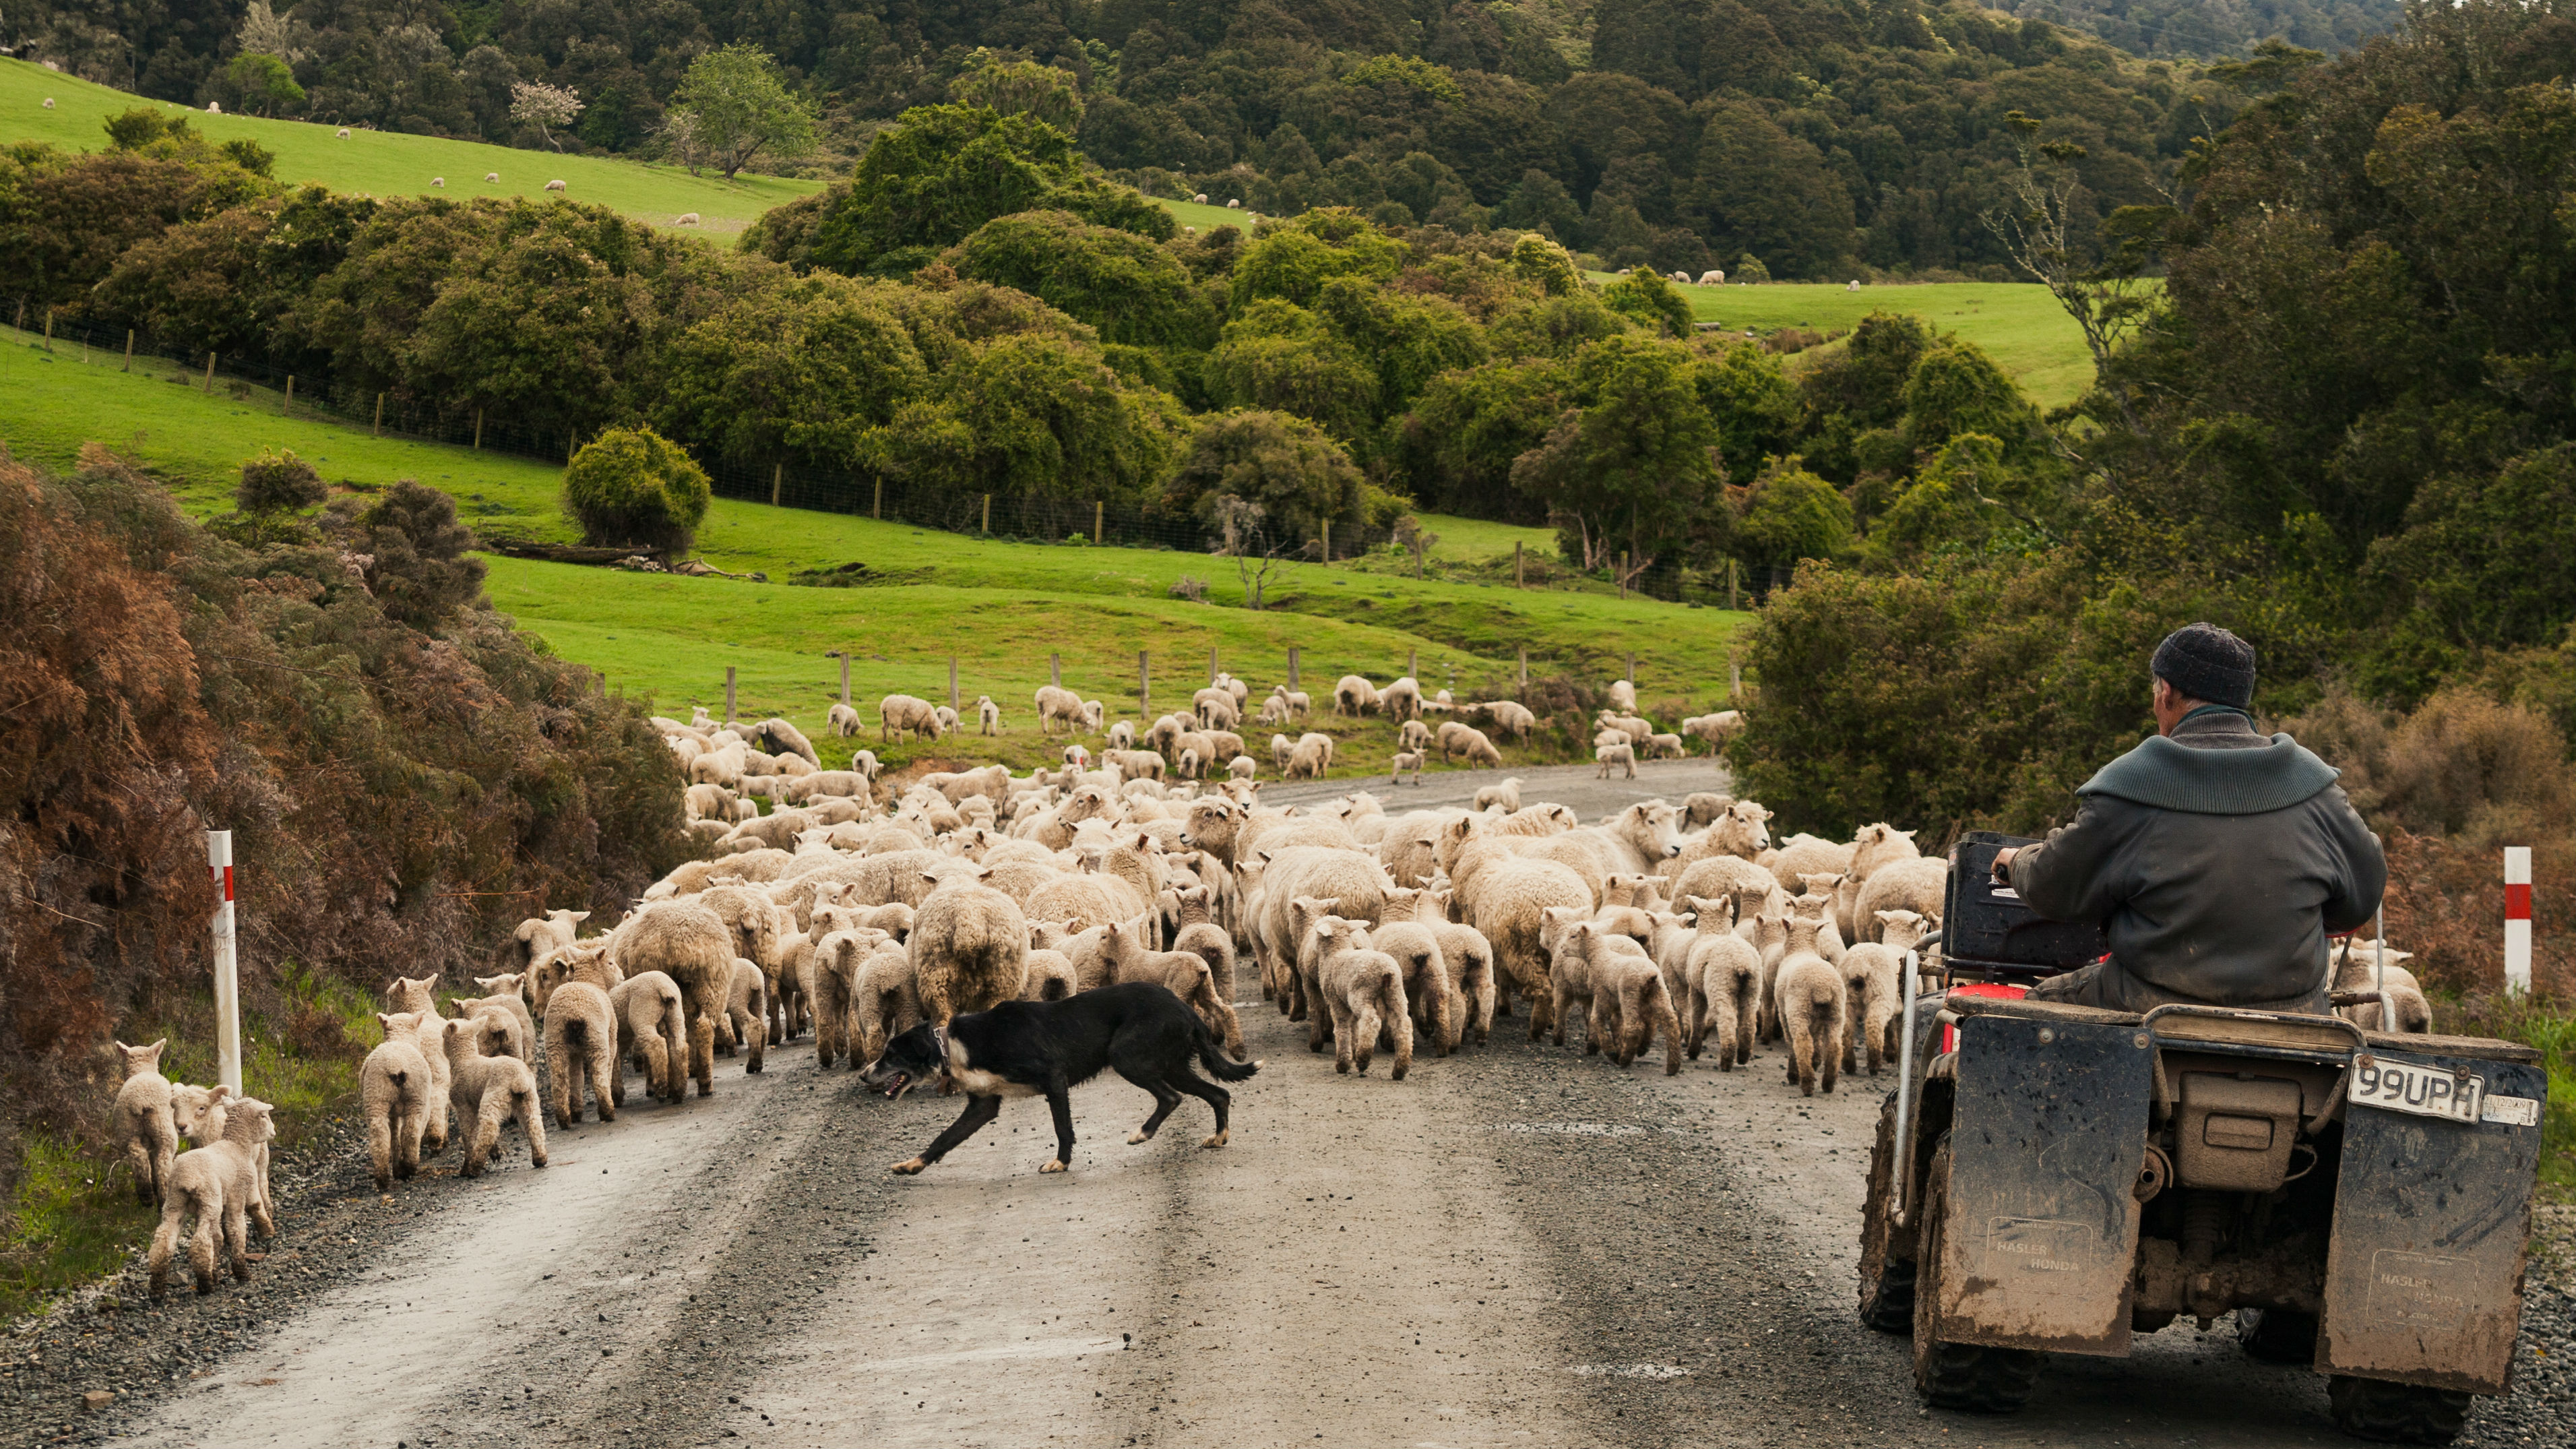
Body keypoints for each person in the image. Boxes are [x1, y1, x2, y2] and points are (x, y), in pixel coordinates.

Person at [1991, 623, 2385, 1014]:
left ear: (2166, 692)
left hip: (2151, 1007)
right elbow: (2360, 898)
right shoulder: (2314, 787)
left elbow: (2056, 888)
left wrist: (2017, 862)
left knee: (2035, 1006)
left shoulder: (2132, 785)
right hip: (2294, 1018)